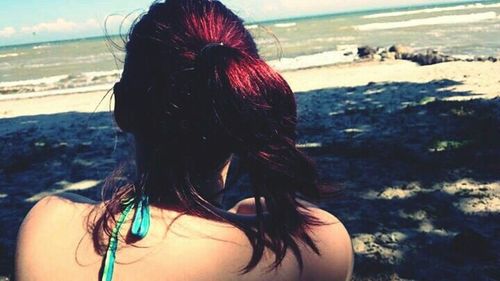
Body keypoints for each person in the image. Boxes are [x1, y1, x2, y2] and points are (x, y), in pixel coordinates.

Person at [15, 0, 354, 280]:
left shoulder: (50, 230)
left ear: (123, 109)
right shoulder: (318, 247)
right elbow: (266, 211)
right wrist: (247, 210)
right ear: (242, 107)